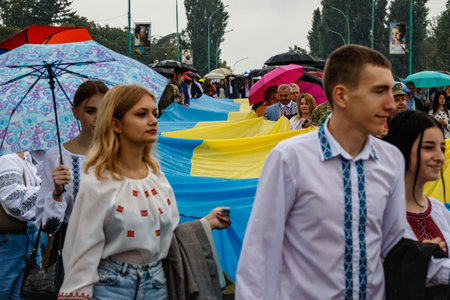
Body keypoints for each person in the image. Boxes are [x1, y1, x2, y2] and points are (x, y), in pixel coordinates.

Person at [236, 44, 406, 299]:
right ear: (341, 96)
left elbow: (394, 248)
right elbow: (259, 256)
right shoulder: (290, 159)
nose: (391, 104)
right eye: (379, 92)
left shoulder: (391, 159)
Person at [57, 85, 230, 300]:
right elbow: (82, 250)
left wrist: (207, 223)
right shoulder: (99, 181)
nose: (153, 120)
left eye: (154, 113)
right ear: (116, 124)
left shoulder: (157, 177)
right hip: (111, 286)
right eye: (141, 114)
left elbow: (168, 235)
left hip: (158, 283)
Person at [36, 81, 108, 254]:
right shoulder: (57, 156)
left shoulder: (120, 153)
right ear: (76, 112)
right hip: (72, 249)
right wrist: (57, 192)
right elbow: (47, 225)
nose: (98, 118)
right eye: (90, 111)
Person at [385, 110, 450, 286]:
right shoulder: (383, 213)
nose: (439, 157)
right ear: (403, 148)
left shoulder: (439, 210)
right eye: (428, 147)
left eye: (442, 149)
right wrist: (420, 254)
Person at [0, 152, 41, 299]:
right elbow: (13, 200)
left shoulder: (27, 158)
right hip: (9, 241)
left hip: (26, 238)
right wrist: (51, 190)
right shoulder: (7, 158)